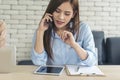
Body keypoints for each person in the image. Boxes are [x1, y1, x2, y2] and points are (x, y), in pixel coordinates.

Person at [31, 0, 97, 66]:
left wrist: (74, 45)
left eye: (67, 14)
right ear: (52, 10)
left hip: (77, 75)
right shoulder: (41, 30)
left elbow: (92, 61)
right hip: (53, 75)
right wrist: (40, 32)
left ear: (73, 14)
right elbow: (38, 62)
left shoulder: (83, 29)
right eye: (57, 11)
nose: (61, 17)